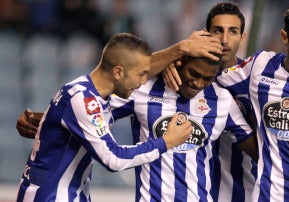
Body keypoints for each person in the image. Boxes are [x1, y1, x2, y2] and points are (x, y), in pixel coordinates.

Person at [167, 2, 289, 202]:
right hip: (267, 195)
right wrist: (173, 62)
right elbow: (212, 75)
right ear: (285, 37)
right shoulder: (260, 66)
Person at [16, 32, 194, 201]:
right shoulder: (84, 100)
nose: (142, 82)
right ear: (118, 72)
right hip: (52, 196)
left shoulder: (91, 94)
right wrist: (166, 142)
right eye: (141, 74)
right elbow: (113, 159)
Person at [109, 52, 257, 201]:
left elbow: (260, 151)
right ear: (180, 63)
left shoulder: (222, 100)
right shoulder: (144, 90)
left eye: (208, 79)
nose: (198, 83)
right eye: (194, 73)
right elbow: (97, 108)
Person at [163, 2, 258, 202]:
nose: (224, 40)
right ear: (205, 34)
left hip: (245, 189)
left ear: (243, 37)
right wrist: (165, 63)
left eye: (233, 32)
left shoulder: (254, 80)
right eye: (218, 31)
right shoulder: (182, 72)